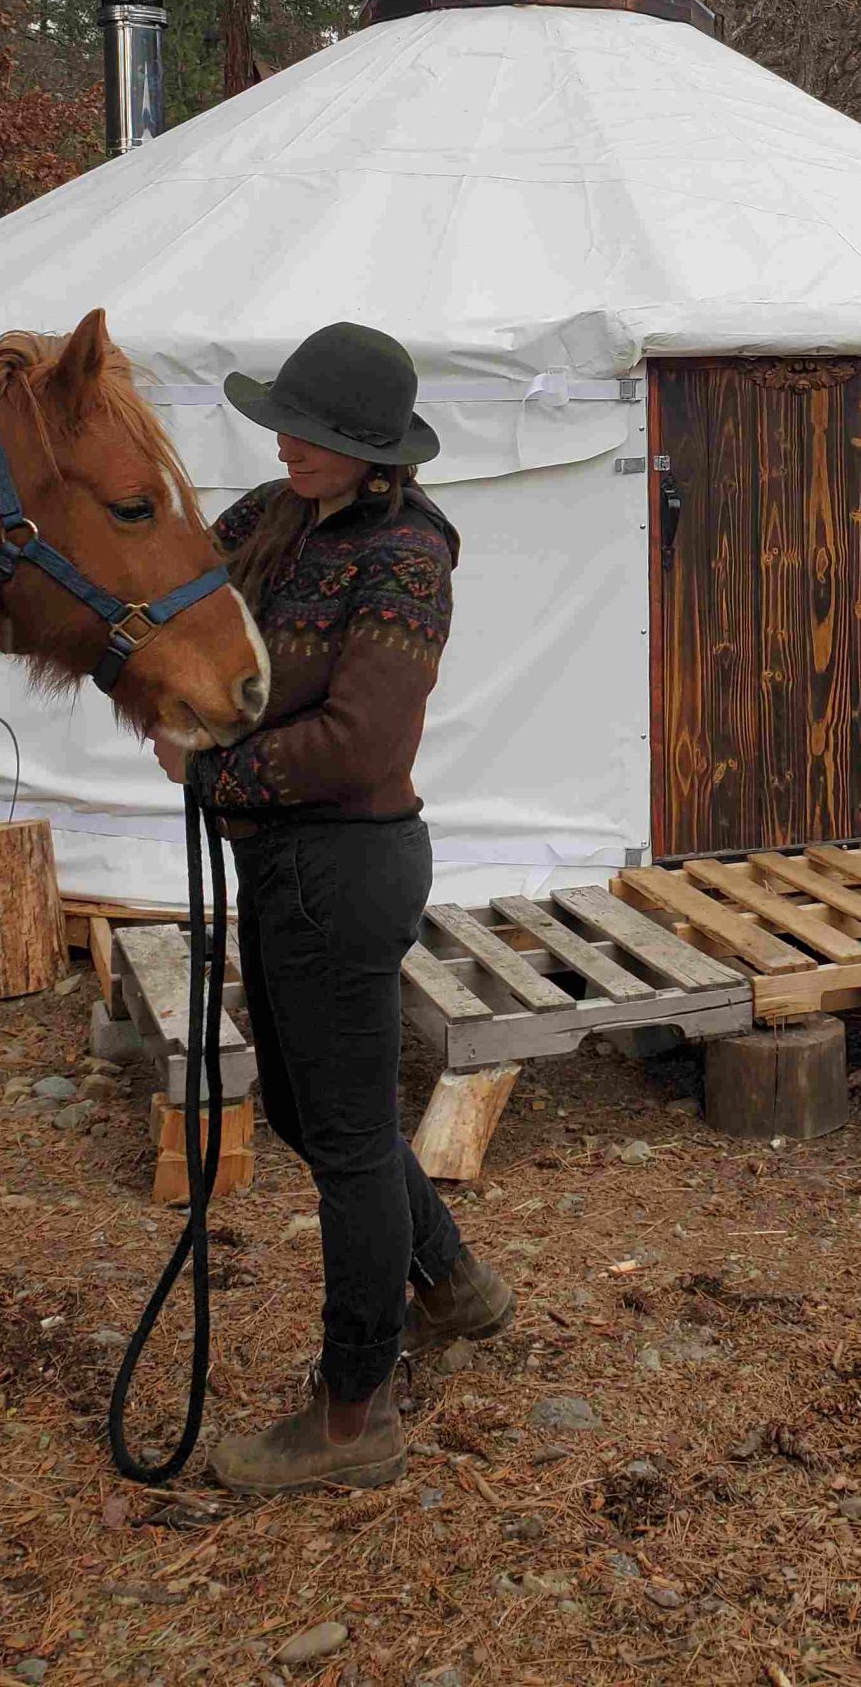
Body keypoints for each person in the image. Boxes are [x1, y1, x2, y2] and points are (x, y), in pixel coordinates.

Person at [153, 321, 514, 1493]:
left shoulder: (409, 554)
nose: (291, 444)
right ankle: (452, 1281)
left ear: (378, 453)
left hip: (343, 867)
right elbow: (177, 593)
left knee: (349, 1146)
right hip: (283, 867)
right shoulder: (271, 510)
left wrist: (214, 769)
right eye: (287, 422)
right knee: (316, 1118)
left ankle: (354, 1417)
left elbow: (364, 742)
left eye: (321, 435)